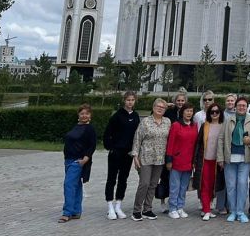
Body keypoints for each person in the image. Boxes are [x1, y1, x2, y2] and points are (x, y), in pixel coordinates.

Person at [218, 96, 250, 222]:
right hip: (229, 157)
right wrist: (220, 157)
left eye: (244, 106)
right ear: (235, 106)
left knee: (242, 184)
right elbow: (221, 139)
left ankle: (241, 211)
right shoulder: (228, 120)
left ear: (247, 107)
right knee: (230, 185)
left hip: (245, 158)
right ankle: (233, 211)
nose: (241, 107)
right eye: (239, 105)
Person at [131, 98, 171, 221]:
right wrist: (135, 155)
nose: (160, 108)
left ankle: (147, 209)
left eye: (163, 107)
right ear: (153, 108)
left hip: (159, 158)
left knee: (153, 184)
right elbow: (137, 138)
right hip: (145, 157)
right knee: (144, 183)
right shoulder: (146, 122)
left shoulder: (167, 122)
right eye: (158, 106)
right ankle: (137, 210)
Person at [103, 90, 139, 220]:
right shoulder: (117, 116)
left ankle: (118, 204)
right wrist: (111, 148)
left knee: (123, 179)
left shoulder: (135, 116)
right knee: (111, 179)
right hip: (116, 152)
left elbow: (137, 135)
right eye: (128, 100)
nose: (130, 102)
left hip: (128, 153)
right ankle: (110, 206)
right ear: (124, 100)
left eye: (132, 100)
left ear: (135, 101)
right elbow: (107, 134)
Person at [59, 103, 97, 223]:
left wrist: (85, 159)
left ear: (90, 115)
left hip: (78, 161)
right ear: (78, 115)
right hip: (68, 160)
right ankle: (76, 211)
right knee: (76, 185)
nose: (84, 115)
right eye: (82, 113)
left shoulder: (89, 128)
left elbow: (92, 145)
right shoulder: (76, 126)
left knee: (68, 185)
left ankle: (67, 212)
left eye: (86, 113)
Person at [165, 103, 198, 219]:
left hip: (188, 162)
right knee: (175, 186)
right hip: (176, 161)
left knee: (184, 187)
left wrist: (194, 160)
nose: (189, 113)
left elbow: (195, 145)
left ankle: (180, 207)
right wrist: (169, 160)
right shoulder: (176, 125)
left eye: (191, 111)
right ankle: (172, 208)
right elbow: (170, 143)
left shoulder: (195, 126)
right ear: (182, 112)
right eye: (187, 111)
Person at [194, 101, 225, 220]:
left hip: (218, 161)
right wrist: (195, 161)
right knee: (205, 185)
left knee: (213, 186)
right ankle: (206, 210)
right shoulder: (205, 125)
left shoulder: (224, 125)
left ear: (220, 113)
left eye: (217, 111)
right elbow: (198, 143)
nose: (214, 114)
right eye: (212, 112)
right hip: (205, 160)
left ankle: (207, 208)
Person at [159, 91, 188, 211]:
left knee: (177, 180)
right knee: (165, 176)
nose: (180, 102)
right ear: (175, 101)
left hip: (181, 150)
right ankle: (162, 201)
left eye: (182, 100)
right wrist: (166, 105)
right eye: (178, 100)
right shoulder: (169, 111)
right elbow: (156, 113)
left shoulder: (186, 113)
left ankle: (176, 202)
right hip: (168, 147)